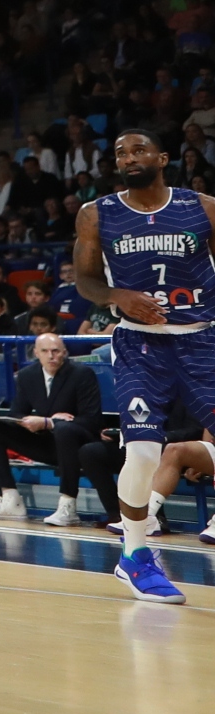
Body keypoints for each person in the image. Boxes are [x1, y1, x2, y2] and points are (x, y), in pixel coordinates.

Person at [71, 132, 215, 602]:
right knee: (144, 452)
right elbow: (86, 280)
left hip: (201, 339)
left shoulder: (205, 207)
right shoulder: (97, 214)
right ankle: (134, 558)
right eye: (120, 153)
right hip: (140, 346)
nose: (129, 158)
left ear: (162, 159)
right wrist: (117, 297)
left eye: (138, 151)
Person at [0, 332, 111, 526]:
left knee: (64, 429)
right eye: (45, 351)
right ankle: (10, 499)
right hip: (47, 442)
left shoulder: (81, 374)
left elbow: (92, 421)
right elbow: (17, 413)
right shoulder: (28, 376)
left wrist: (50, 423)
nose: (51, 356)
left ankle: (68, 505)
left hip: (79, 444)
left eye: (55, 351)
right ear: (36, 353)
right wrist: (37, 422)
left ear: (65, 352)